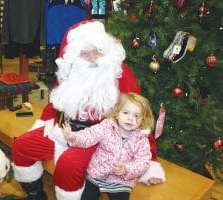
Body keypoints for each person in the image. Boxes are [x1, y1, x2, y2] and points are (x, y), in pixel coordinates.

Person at [11, 19, 165, 200]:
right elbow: (55, 103)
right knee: (21, 145)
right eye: (85, 53)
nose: (92, 58)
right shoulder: (70, 72)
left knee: (68, 165)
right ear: (75, 56)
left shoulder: (120, 74)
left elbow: (140, 116)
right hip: (62, 129)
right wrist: (40, 125)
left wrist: (150, 161)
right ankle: (36, 194)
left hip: (99, 137)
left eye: (97, 52)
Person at [62, 93, 154, 200]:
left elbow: (143, 162)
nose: (130, 118)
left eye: (136, 116)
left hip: (122, 181)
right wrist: (74, 137)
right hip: (97, 173)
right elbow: (91, 134)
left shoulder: (141, 139)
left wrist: (127, 169)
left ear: (143, 119)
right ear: (116, 113)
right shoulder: (106, 126)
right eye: (126, 113)